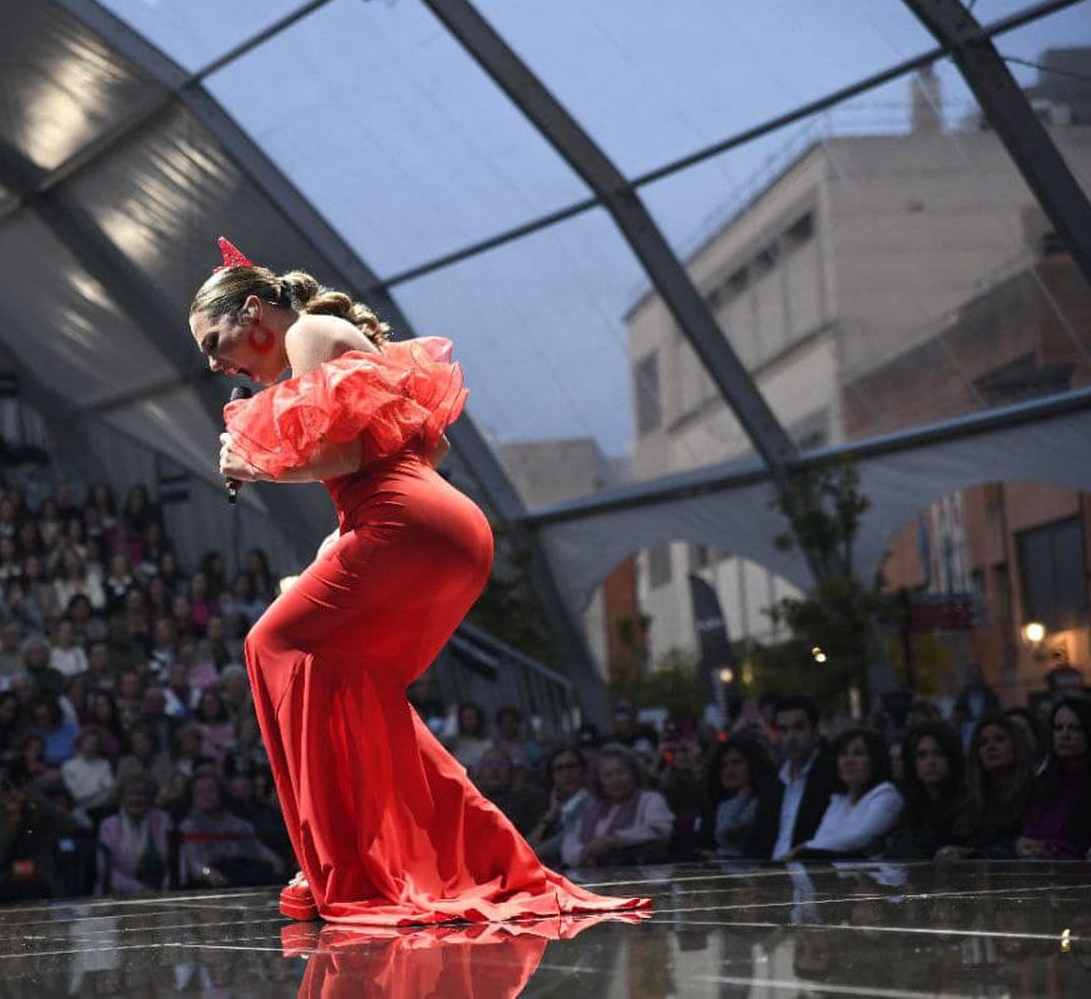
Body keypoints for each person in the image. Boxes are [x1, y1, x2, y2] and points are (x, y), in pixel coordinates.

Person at [191, 240, 646, 924]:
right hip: (435, 530)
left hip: (412, 526)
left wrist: (258, 463)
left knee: (272, 646)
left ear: (254, 310)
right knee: (353, 686)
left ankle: (343, 866)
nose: (213, 362)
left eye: (214, 339)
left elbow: (343, 453)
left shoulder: (311, 332)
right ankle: (429, 860)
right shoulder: (319, 348)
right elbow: (388, 459)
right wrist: (326, 548)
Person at [786, 729, 902, 859]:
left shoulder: (887, 795)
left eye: (858, 754)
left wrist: (806, 846)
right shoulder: (838, 801)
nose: (848, 760)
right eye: (843, 754)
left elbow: (860, 837)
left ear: (874, 761)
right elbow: (823, 841)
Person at [937, 714, 1036, 862]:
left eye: (999, 739)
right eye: (983, 743)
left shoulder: (1034, 793)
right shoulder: (967, 801)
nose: (991, 747)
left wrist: (973, 854)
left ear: (1015, 744)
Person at [752, 695, 840, 860]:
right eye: (783, 730)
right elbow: (759, 842)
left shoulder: (833, 775)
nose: (791, 737)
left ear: (815, 731)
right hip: (771, 877)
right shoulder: (771, 784)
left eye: (798, 728)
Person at [560, 744, 673, 867]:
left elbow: (660, 830)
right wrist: (584, 854)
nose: (616, 779)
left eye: (621, 772)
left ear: (634, 774)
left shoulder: (650, 800)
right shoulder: (589, 806)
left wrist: (613, 840)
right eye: (608, 775)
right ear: (599, 780)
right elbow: (569, 842)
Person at [1016, 695, 1091, 859]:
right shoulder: (1044, 780)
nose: (1064, 735)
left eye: (1074, 728)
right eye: (1058, 728)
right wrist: (1024, 844)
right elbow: (1030, 828)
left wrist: (1054, 849)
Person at [883, 721, 966, 860]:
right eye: (922, 755)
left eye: (938, 753)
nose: (930, 762)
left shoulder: (968, 805)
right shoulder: (909, 809)